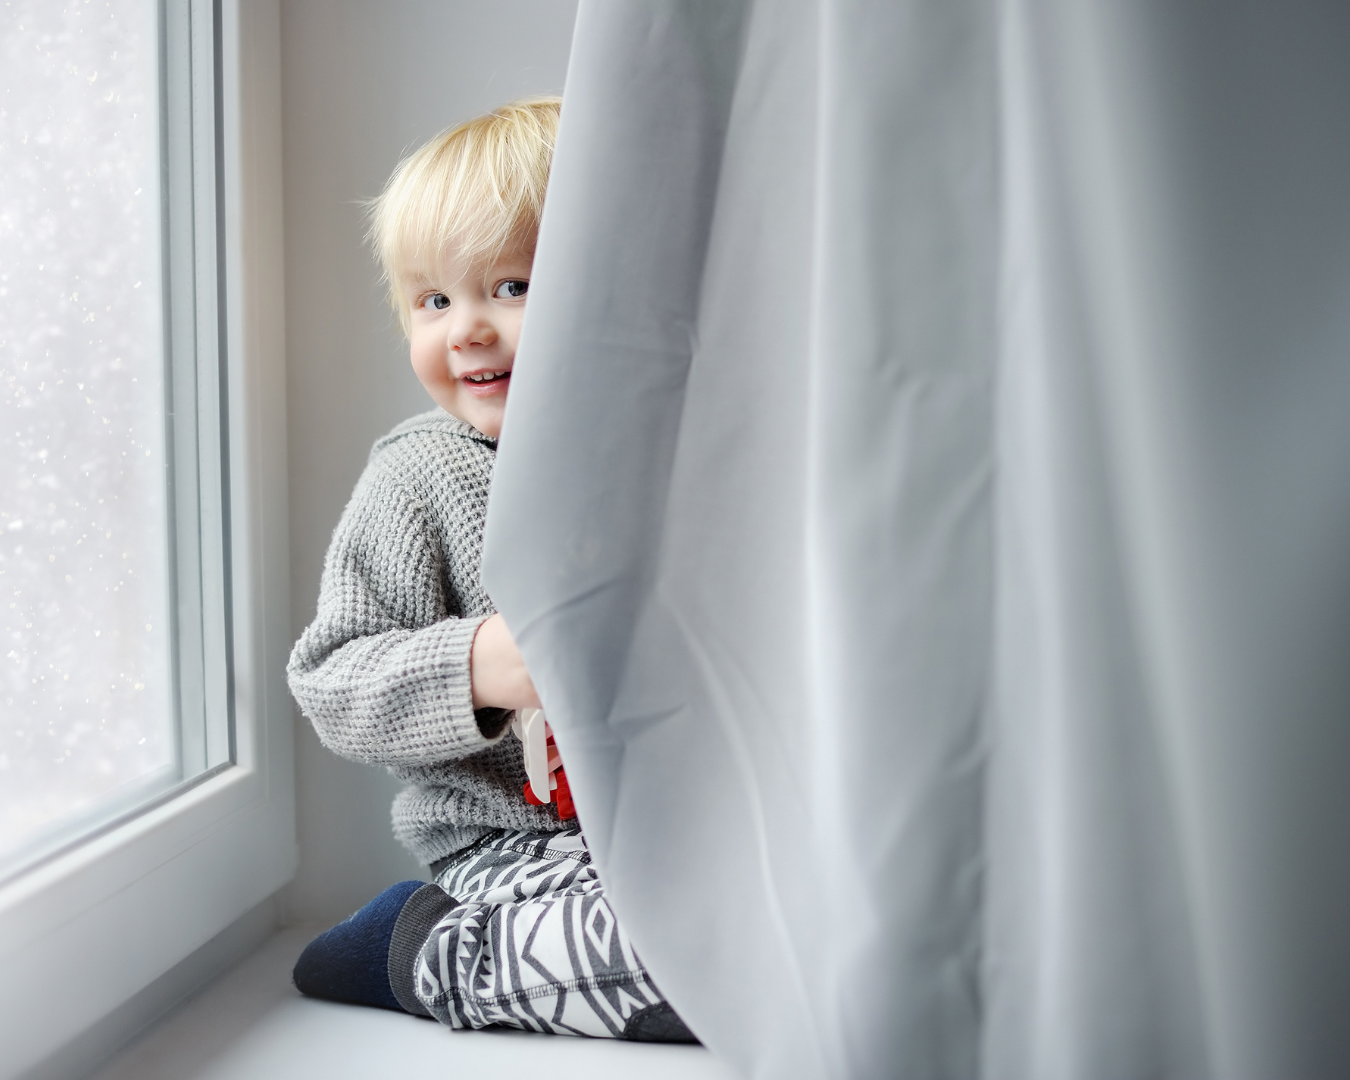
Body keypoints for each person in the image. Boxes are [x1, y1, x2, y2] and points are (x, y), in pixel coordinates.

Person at [286, 98, 694, 1043]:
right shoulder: (419, 474)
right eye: (434, 300)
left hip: (688, 825)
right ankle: (419, 951)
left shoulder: (678, 458)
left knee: (817, 918)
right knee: (696, 956)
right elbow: (331, 678)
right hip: (516, 844)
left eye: (510, 287)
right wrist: (482, 664)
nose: (465, 329)